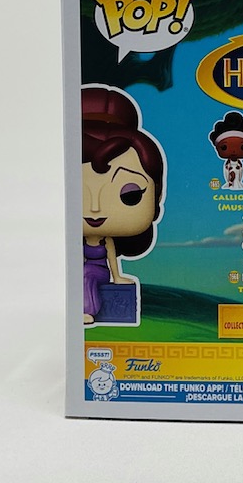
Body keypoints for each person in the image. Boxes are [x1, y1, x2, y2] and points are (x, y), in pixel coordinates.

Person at [81, 85, 165, 324]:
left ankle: (87, 310)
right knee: (83, 274)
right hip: (80, 275)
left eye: (129, 195)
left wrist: (118, 277)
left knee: (86, 274)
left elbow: (112, 259)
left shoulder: (107, 241)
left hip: (97, 273)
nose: (95, 208)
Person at [209, 112, 243, 190]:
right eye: (224, 147)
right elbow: (226, 171)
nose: (233, 151)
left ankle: (237, 184)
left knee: (236, 180)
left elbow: (241, 171)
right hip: (230, 175)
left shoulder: (239, 164)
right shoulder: (227, 165)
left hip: (237, 174)